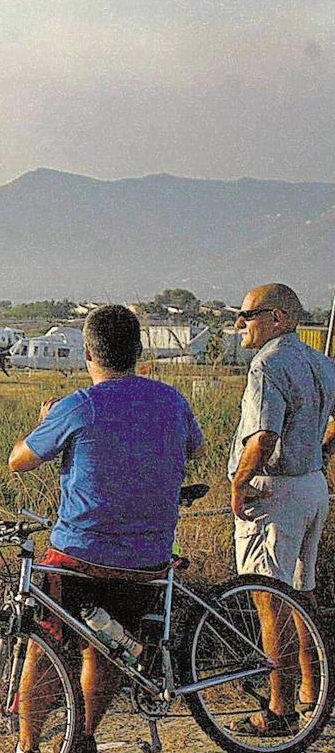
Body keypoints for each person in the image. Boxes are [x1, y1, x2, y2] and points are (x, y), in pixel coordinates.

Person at [8, 305, 204, 753]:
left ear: (87, 353)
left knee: (43, 647)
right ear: (137, 350)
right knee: (108, 647)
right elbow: (196, 447)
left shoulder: (80, 405)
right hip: (147, 559)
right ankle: (84, 735)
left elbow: (18, 461)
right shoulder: (172, 401)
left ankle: (28, 746)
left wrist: (45, 424)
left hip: (81, 555)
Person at [227, 283, 335, 737]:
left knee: (271, 602)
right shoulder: (322, 362)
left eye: (249, 314)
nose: (240, 324)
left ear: (280, 318)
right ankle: (314, 694)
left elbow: (263, 438)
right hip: (312, 487)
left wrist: (239, 484)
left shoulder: (267, 364)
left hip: (275, 494)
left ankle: (279, 709)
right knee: (303, 595)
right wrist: (321, 452)